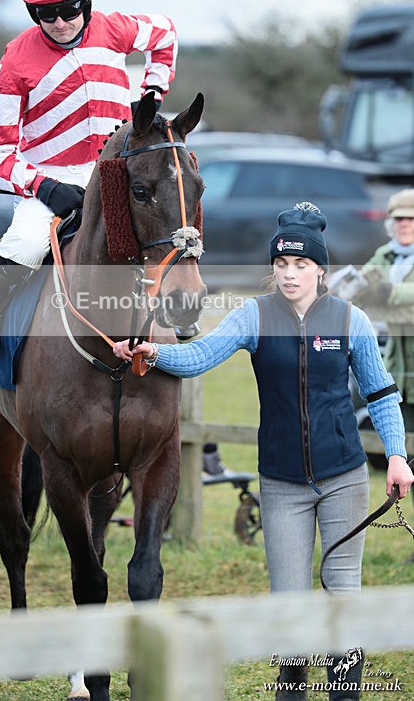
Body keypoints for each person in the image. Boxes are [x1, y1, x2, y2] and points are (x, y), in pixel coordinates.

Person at [113, 201, 413, 701]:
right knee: (288, 603)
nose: (290, 274)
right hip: (281, 483)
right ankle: (290, 696)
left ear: (321, 269)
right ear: (272, 269)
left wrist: (398, 455)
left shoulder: (349, 319)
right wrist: (156, 352)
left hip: (344, 478)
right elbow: (200, 355)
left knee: (344, 595)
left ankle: (346, 696)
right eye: (281, 264)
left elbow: (381, 392)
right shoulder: (252, 315)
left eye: (301, 265)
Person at [0, 0, 178, 356]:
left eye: (71, 8)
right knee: (25, 245)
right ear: (33, 13)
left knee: (163, 227)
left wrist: (153, 89)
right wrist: (44, 187)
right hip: (50, 178)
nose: (61, 22)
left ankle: (178, 314)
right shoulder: (13, 64)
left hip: (116, 168)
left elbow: (166, 33)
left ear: (88, 1)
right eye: (47, 13)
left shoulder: (114, 28)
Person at [353, 188, 414, 523]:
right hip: (401, 376)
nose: (404, 225)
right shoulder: (387, 255)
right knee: (404, 458)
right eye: (399, 219)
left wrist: (388, 293)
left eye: (410, 219)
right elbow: (358, 290)